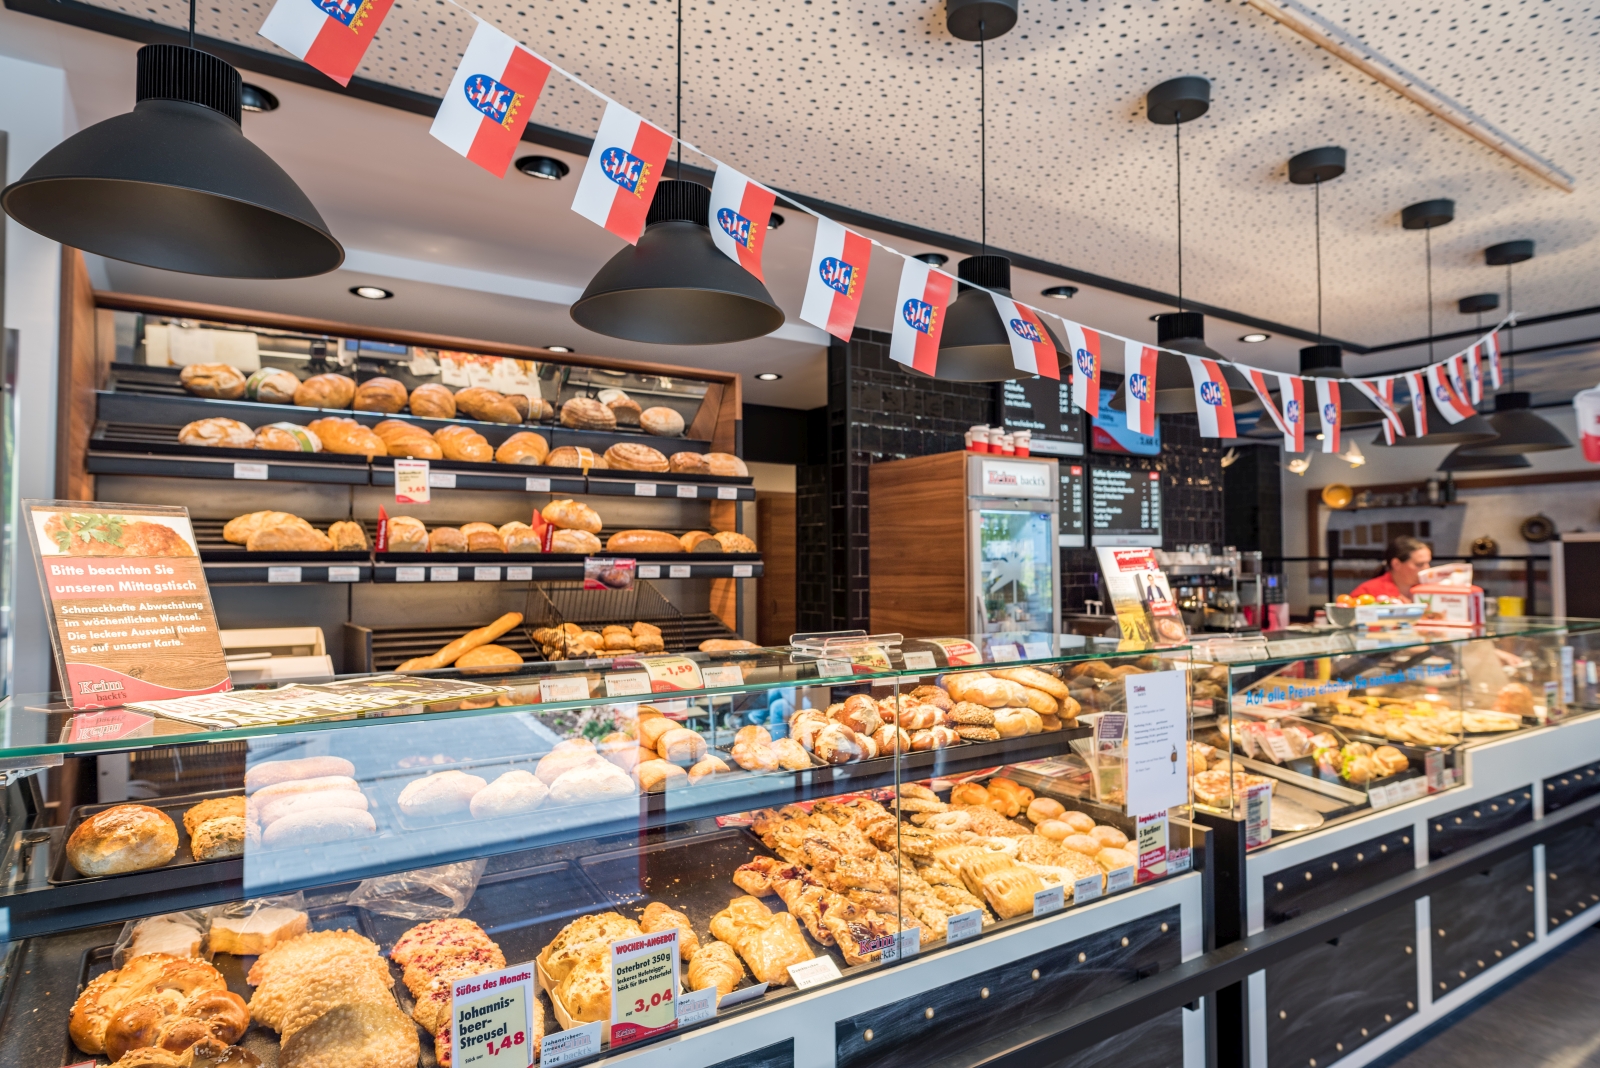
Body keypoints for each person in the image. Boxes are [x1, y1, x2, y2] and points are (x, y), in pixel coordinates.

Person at [1349, 535, 1433, 603]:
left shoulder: (1433, 589)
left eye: (1428, 563)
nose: (1427, 568)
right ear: (1396, 564)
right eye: (1419, 564)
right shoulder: (1367, 592)